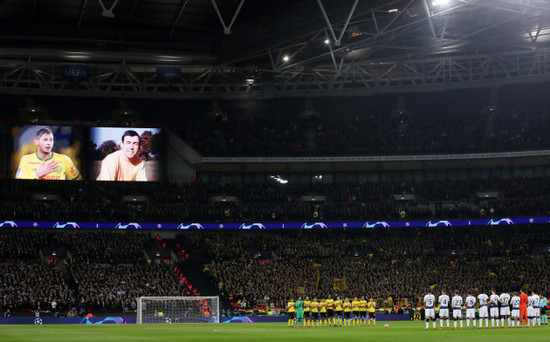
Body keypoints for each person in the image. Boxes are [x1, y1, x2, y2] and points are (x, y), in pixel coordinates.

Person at [16, 128, 81, 180]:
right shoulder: (25, 159)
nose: (48, 143)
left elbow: (78, 180)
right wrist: (38, 174)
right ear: (36, 142)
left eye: (51, 140)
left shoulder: (65, 159)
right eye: (45, 140)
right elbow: (18, 184)